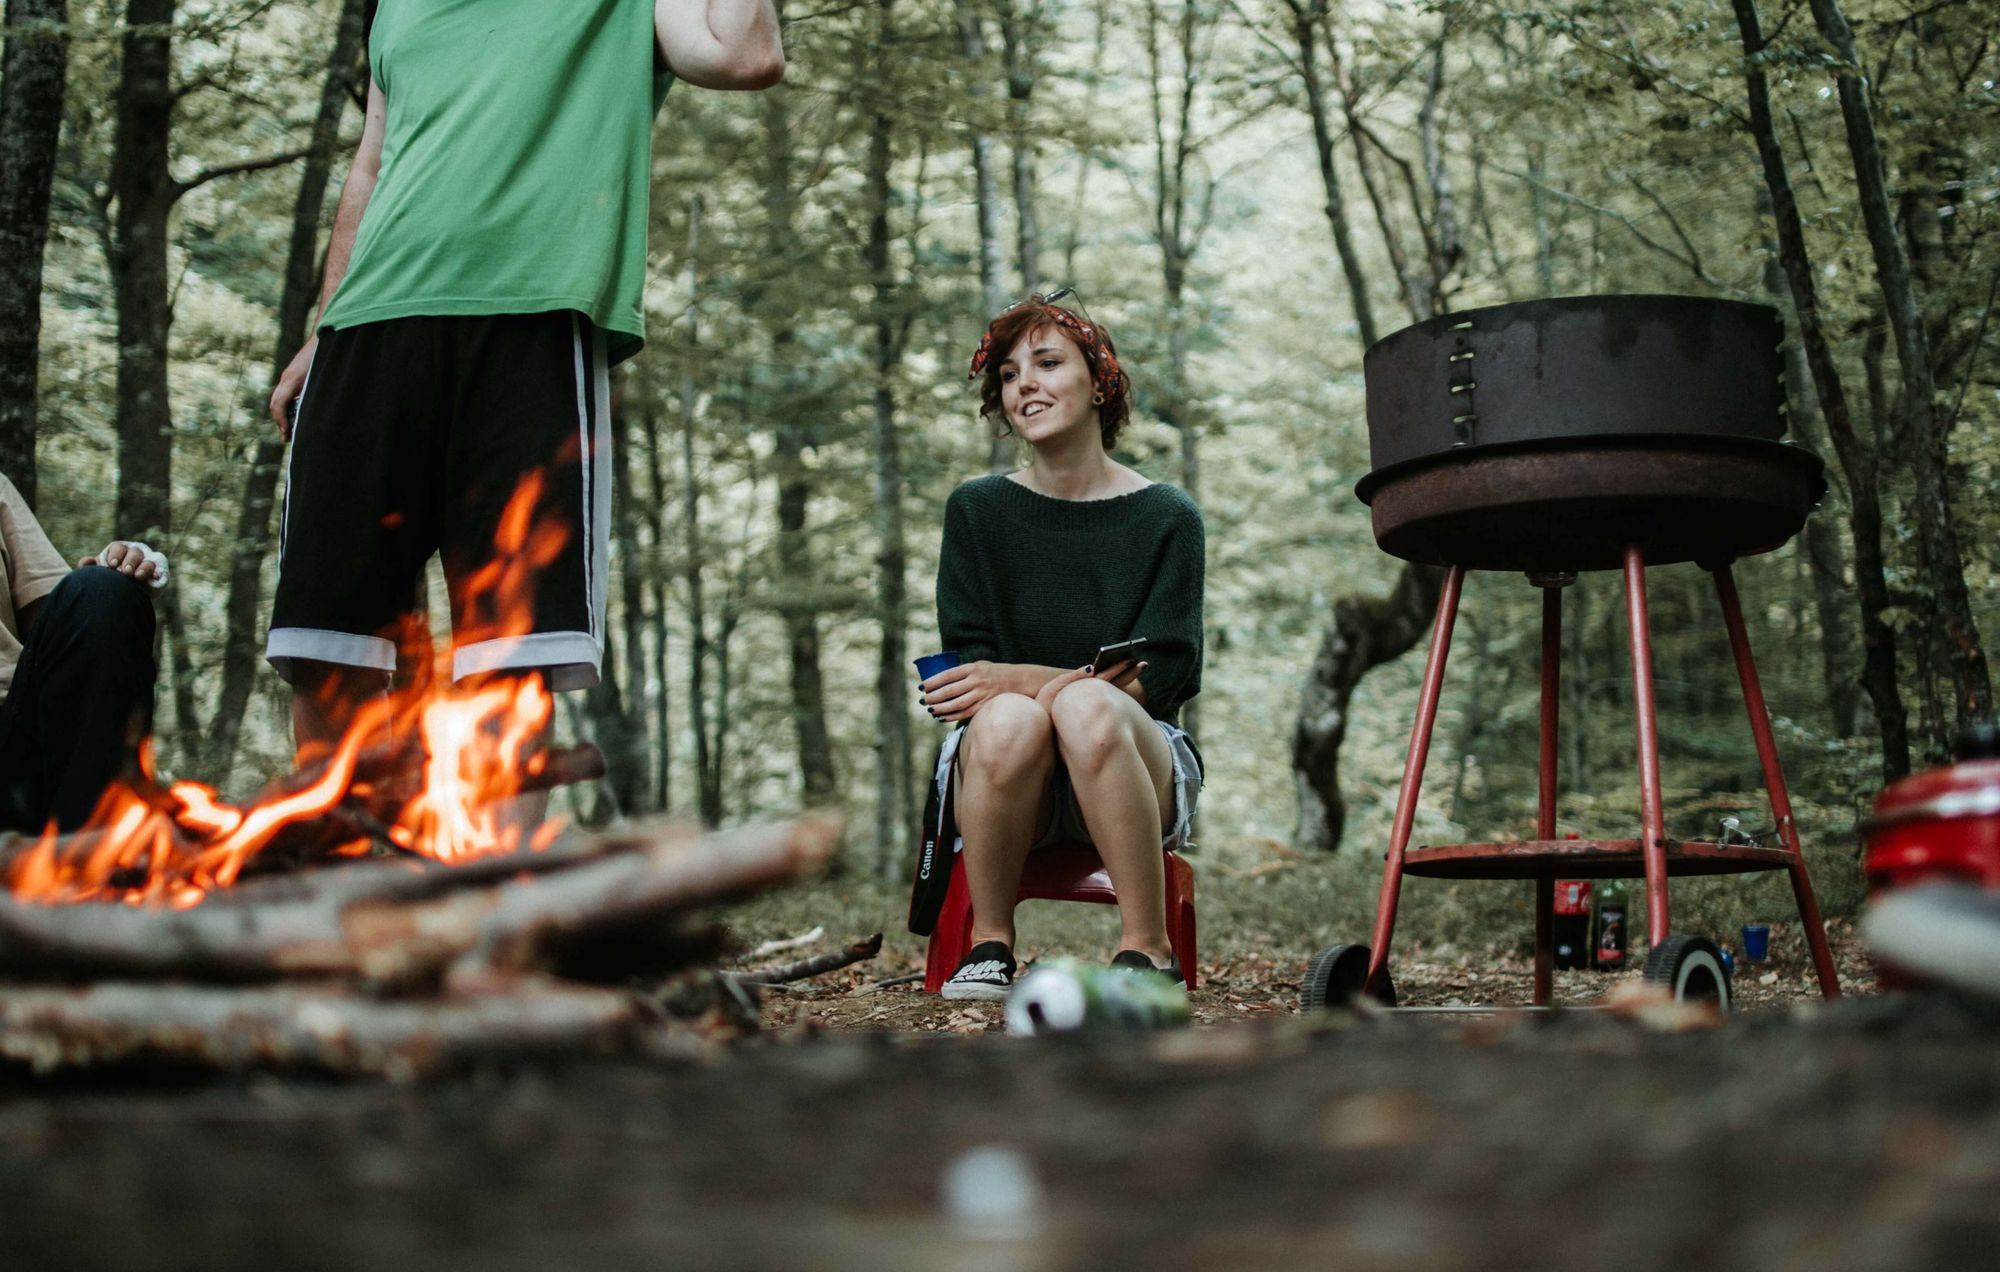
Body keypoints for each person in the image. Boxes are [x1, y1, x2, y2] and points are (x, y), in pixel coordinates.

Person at [263, 0, 784, 767]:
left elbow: (740, 56)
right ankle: (334, 869)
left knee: (511, 655)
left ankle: (498, 883)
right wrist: (324, 323)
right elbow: (372, 163)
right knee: (325, 645)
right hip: (365, 328)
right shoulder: (398, 7)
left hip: (531, 319)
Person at [922, 292, 1205, 1000]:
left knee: (1087, 710)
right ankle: (989, 943)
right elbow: (966, 677)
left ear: (1099, 381)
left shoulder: (1168, 516)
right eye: (1011, 375)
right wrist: (1059, 684)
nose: (1026, 385)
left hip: (1135, 767)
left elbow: (1162, 672)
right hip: (1006, 770)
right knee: (1019, 716)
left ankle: (1146, 949)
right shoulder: (978, 511)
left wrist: (1024, 677)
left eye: (1047, 363)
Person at [0, 473, 169, 834]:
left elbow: (59, 620)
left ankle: (97, 852)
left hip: (12, 752)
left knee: (100, 592)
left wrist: (113, 581)